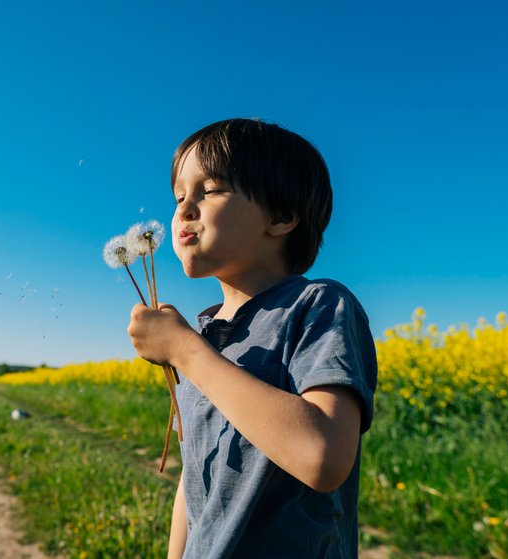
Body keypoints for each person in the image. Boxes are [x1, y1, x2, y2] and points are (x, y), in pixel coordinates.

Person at [127, 118, 377, 558]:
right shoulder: (204, 334)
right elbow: (195, 481)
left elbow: (324, 457)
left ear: (281, 216)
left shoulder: (319, 306)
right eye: (180, 196)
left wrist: (185, 351)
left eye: (212, 188)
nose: (185, 208)